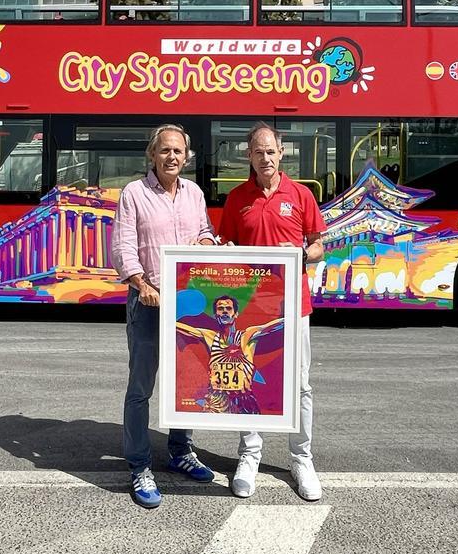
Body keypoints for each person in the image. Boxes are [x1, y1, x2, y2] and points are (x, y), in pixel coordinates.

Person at [218, 121, 327, 501]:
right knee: (247, 382)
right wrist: (227, 251)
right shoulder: (236, 199)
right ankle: (249, 455)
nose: (265, 157)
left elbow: (318, 245)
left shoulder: (299, 195)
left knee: (299, 384)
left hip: (293, 306)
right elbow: (226, 240)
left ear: (281, 154)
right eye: (258, 151)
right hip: (249, 310)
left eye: (271, 151)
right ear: (248, 156)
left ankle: (301, 458)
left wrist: (301, 254)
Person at [110, 124, 217, 508]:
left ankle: (180, 451)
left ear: (186, 157)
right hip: (150, 301)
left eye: (178, 151)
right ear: (152, 155)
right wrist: (142, 285)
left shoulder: (194, 194)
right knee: (141, 388)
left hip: (188, 303)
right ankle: (139, 465)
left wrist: (206, 242)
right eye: (165, 150)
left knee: (187, 383)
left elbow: (206, 232)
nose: (172, 157)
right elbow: (123, 247)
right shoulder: (134, 194)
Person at [176, 293, 283, 414]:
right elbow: (178, 327)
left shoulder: (246, 336)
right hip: (217, 400)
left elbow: (272, 326)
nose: (225, 311)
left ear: (235, 314)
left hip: (244, 399)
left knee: (250, 433)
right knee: (213, 430)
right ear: (215, 315)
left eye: (229, 308)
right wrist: (165, 312)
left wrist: (292, 312)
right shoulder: (210, 336)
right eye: (220, 309)